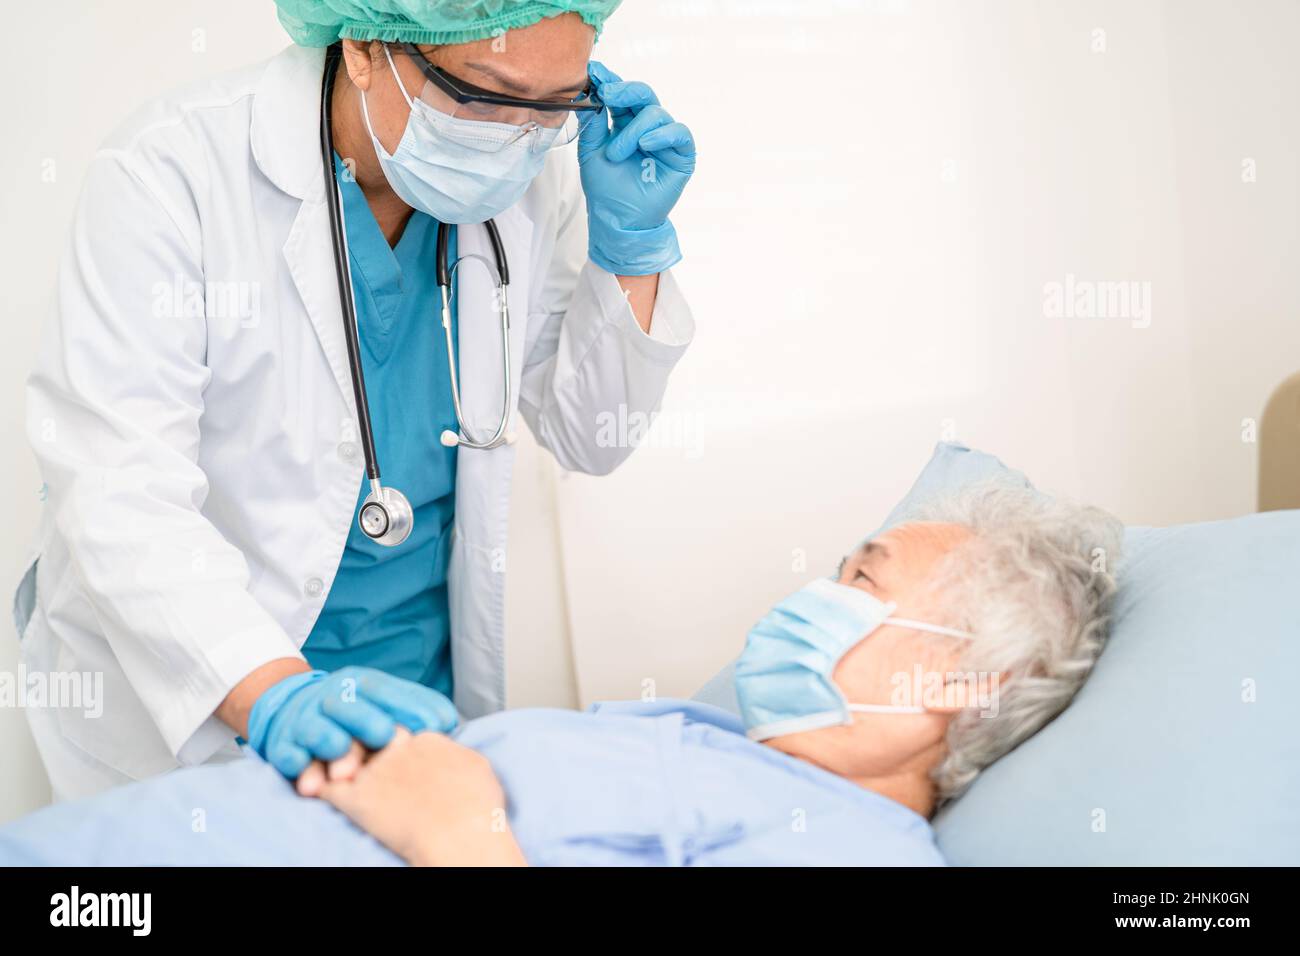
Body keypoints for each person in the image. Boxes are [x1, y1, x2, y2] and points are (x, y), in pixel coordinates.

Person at [15, 1, 696, 800]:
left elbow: (590, 436)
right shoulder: (170, 174)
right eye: (483, 96)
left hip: (413, 703)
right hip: (206, 702)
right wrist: (273, 691)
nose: (517, 137)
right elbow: (120, 492)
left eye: (553, 107)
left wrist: (632, 250)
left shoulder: (533, 181)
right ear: (366, 45)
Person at [0, 485, 1123, 866]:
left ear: (956, 683)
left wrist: (460, 833)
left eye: (861, 580)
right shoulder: (709, 741)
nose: (815, 593)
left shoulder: (853, 849)